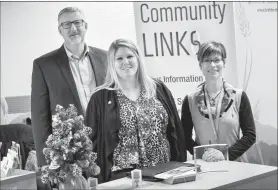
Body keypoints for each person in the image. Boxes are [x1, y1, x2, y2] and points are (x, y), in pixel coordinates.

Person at [85, 39, 187, 183]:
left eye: (129, 56)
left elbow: (176, 130)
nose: (125, 62)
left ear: (138, 58)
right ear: (112, 64)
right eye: (119, 58)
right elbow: (90, 143)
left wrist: (181, 165)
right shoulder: (99, 98)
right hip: (122, 178)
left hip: (163, 171)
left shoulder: (158, 89)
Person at [31, 7, 107, 167]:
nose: (73, 28)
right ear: (60, 30)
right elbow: (40, 117)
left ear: (86, 26)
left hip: (106, 143)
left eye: (77, 22)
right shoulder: (44, 65)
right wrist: (46, 163)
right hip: (69, 153)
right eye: (66, 24)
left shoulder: (105, 58)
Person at [181, 41, 256, 162]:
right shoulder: (190, 100)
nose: (212, 65)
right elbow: (184, 137)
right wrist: (203, 155)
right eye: (207, 60)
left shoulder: (239, 96)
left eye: (216, 60)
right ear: (200, 65)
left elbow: (250, 135)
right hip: (204, 166)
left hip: (235, 165)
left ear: (224, 63)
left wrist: (226, 155)